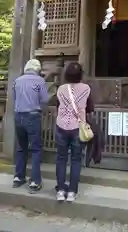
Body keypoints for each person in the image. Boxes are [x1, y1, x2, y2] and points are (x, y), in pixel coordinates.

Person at [55, 62, 93, 202]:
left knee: (61, 159)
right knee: (76, 160)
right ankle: (72, 192)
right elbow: (90, 107)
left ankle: (60, 190)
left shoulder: (60, 89)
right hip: (78, 127)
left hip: (61, 126)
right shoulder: (86, 89)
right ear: (80, 74)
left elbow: (58, 105)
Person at [12, 58, 48, 193]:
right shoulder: (40, 81)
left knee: (21, 147)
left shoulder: (17, 80)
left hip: (18, 115)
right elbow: (44, 99)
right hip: (32, 116)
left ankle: (18, 177)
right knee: (36, 149)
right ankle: (34, 181)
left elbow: (15, 99)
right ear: (37, 69)